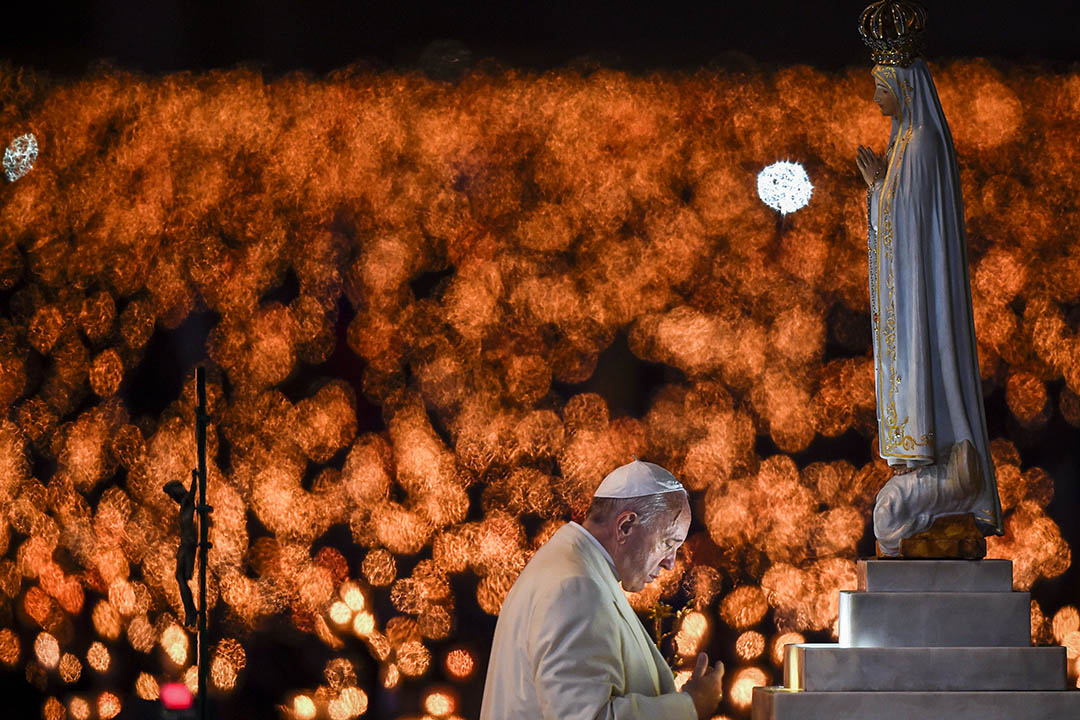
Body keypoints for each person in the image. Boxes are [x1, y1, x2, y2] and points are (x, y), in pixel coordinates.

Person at [855, 0, 1003, 556]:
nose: (876, 94)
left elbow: (910, 229)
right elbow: (901, 219)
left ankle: (942, 467)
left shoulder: (919, 146)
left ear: (902, 83)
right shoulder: (907, 145)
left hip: (920, 299)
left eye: (881, 83)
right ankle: (942, 475)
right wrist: (878, 188)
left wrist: (879, 192)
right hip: (913, 294)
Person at [479, 459, 724, 720]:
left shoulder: (570, 568)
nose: (670, 562)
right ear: (625, 526)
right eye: (667, 543)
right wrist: (691, 706)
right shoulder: (576, 588)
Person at [164, 470, 198, 627]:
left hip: (188, 542)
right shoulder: (183, 504)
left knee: (180, 576)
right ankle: (189, 611)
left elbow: (192, 493)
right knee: (179, 577)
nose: (172, 498)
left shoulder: (186, 502)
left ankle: (191, 612)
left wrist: (194, 478)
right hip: (184, 542)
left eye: (172, 494)